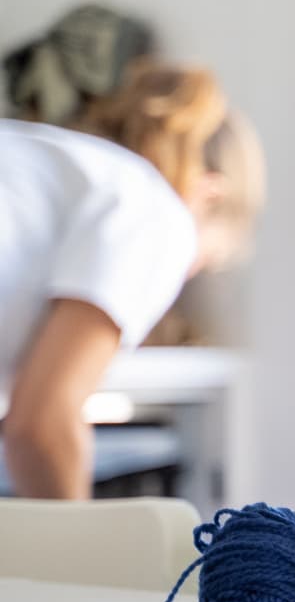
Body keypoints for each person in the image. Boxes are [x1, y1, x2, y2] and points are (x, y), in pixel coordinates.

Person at [0, 61, 263, 499]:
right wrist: (83, 558)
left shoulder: (60, 164)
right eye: (202, 264)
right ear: (209, 195)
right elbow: (42, 423)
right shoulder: (159, 214)